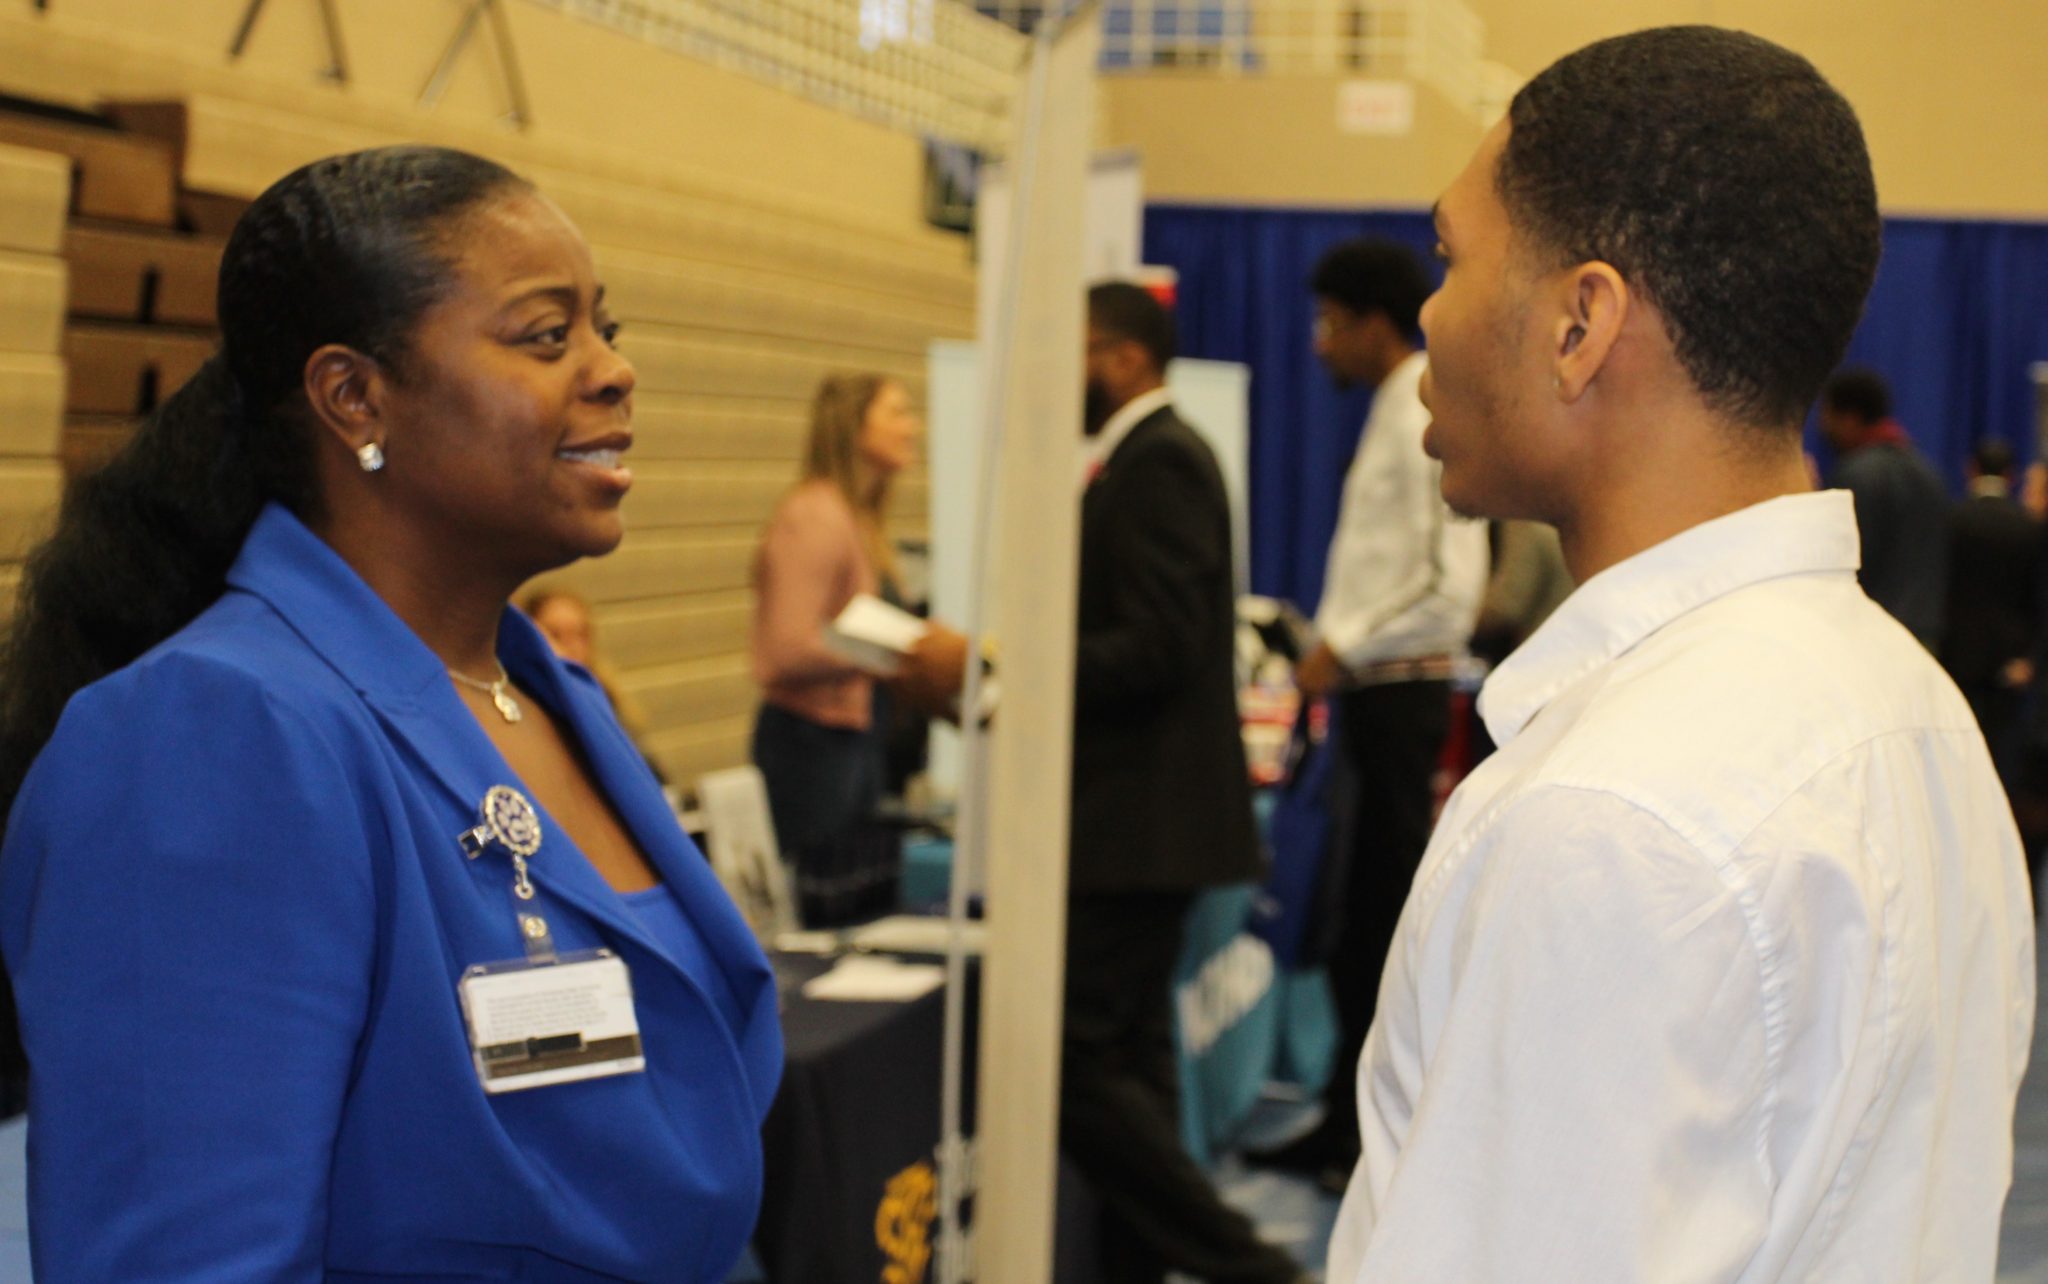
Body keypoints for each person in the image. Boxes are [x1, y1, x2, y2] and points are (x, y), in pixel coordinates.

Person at [0, 146, 782, 1282]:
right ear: (354, 396)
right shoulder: (210, 733)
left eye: (607, 329)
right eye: (545, 335)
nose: (613, 372)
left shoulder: (544, 692)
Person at [1329, 27, 2033, 1283]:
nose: (1428, 312)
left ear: (1579, 322)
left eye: (1449, 256)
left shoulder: (1612, 821)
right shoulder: (1914, 716)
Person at [1066, 281, 1309, 1284]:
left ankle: (1242, 1262)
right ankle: (1151, 1260)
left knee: (1074, 1059)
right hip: (1141, 818)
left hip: (1142, 820)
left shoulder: (1158, 459)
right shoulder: (1144, 456)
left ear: (1121, 357)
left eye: (1075, 350)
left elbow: (1157, 647)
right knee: (1128, 1057)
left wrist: (1011, 666)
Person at [1264, 238, 1487, 1187]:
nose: (1318, 345)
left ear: (1369, 323)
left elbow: (1449, 584)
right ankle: (1337, 1118)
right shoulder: (1393, 411)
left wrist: (1340, 652)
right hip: (1371, 694)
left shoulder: (1422, 409)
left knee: (1383, 919)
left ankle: (1370, 1136)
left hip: (1401, 698)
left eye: (1327, 324)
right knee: (1352, 920)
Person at [749, 373, 964, 925]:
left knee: (864, 909)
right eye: (895, 412)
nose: (911, 426)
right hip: (812, 749)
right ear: (853, 425)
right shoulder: (814, 515)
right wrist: (900, 652)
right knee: (828, 916)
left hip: (854, 744)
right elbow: (782, 648)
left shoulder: (858, 519)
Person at [1819, 366, 1953, 649]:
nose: (1823, 425)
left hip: (1870, 637)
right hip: (1925, 637)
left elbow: (1846, 564)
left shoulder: (1854, 475)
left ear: (1851, 418)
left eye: (1828, 414)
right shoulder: (1929, 473)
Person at [1941, 438, 2041, 785]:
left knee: (1955, 755)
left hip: (1955, 654)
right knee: (2000, 760)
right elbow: (2037, 600)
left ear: (1971, 470)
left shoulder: (1952, 521)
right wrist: (2029, 657)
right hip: (2009, 662)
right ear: (2011, 475)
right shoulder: (2030, 527)